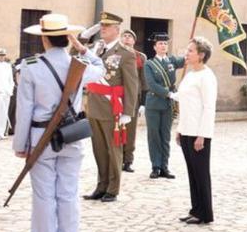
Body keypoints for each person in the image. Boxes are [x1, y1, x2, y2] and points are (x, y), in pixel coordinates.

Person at [14, 14, 104, 232]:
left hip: (40, 137)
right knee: (68, 194)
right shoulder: (80, 64)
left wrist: (20, 145)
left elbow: (24, 110)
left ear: (44, 39)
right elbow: (102, 69)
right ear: (67, 38)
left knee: (44, 196)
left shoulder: (30, 66)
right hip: (71, 137)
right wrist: (83, 49)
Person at [79, 12, 138, 202]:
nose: (103, 29)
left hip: (113, 107)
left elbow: (132, 84)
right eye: (101, 26)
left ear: (117, 30)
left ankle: (113, 188)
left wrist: (128, 112)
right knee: (99, 149)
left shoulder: (126, 54)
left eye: (107, 26)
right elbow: (75, 53)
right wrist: (86, 34)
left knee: (113, 150)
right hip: (94, 105)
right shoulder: (97, 50)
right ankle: (101, 185)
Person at [172, 37, 218, 225]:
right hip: (187, 131)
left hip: (200, 133)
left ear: (201, 55)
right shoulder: (190, 75)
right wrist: (180, 129)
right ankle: (195, 209)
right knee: (192, 172)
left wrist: (203, 135)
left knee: (201, 173)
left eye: (191, 51)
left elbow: (208, 108)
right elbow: (185, 103)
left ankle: (205, 212)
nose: (186, 53)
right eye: (187, 50)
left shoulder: (207, 77)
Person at [143, 32, 184, 180]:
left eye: (165, 44)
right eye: (160, 44)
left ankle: (165, 167)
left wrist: (193, 48)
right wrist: (169, 93)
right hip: (154, 103)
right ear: (154, 47)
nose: (163, 46)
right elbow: (152, 85)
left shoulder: (172, 60)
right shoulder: (149, 64)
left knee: (165, 136)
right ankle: (155, 166)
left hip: (167, 105)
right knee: (154, 136)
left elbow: (187, 60)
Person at [120, 29, 143, 173]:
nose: (127, 38)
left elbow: (143, 80)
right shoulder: (115, 53)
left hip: (133, 98)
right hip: (116, 96)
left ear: (134, 41)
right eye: (125, 36)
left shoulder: (140, 57)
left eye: (130, 36)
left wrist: (144, 101)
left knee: (130, 131)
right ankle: (116, 158)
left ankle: (128, 160)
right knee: (115, 129)